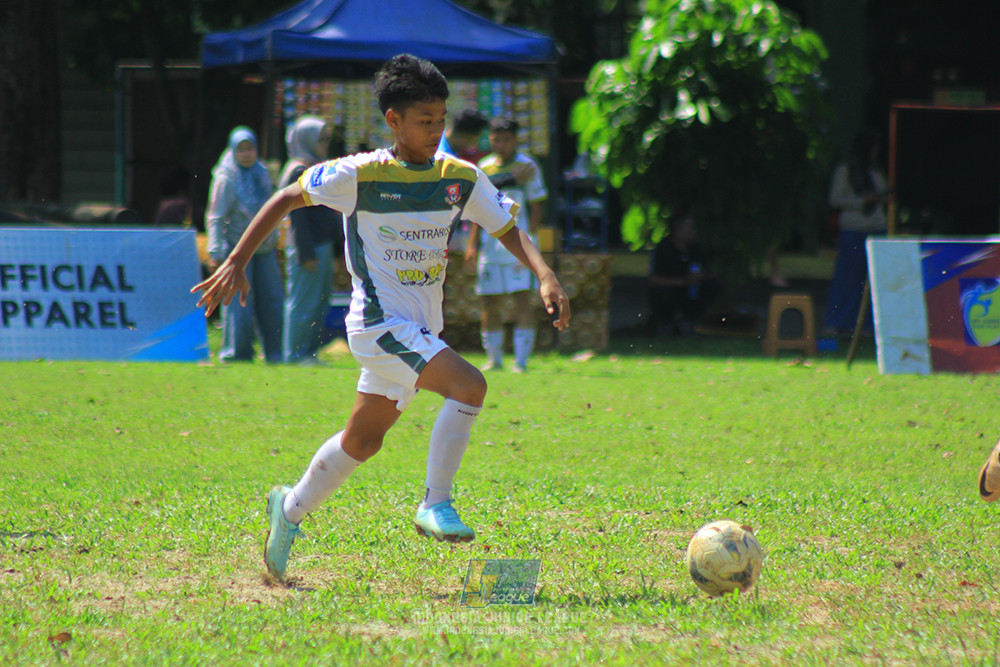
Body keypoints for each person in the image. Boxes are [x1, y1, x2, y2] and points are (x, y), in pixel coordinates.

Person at [191, 54, 571, 581]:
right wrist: (233, 261)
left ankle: (289, 509)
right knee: (470, 386)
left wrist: (545, 274)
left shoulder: (459, 177)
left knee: (363, 441)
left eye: (441, 120)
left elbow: (508, 226)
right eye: (424, 121)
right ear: (393, 121)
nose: (436, 131)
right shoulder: (359, 174)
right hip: (376, 325)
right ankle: (435, 502)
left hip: (416, 333)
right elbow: (285, 196)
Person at [465, 117, 548, 373]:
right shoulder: (484, 166)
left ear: (516, 139)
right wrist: (472, 244)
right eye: (496, 139)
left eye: (506, 139)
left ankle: (521, 361)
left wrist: (532, 241)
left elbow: (537, 206)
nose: (500, 144)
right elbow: (479, 208)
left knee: (522, 299)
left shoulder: (529, 166)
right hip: (490, 247)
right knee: (489, 301)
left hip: (517, 246)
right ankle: (494, 359)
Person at [205, 126, 284, 363]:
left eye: (250, 148)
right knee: (239, 303)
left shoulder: (261, 172)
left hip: (264, 248)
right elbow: (215, 217)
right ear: (232, 150)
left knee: (272, 300)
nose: (247, 154)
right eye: (241, 149)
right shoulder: (225, 178)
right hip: (236, 250)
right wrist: (216, 252)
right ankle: (237, 354)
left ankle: (275, 353)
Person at [279, 115, 343, 365]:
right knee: (303, 303)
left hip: (321, 245)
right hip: (309, 247)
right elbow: (297, 218)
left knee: (319, 302)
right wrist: (306, 253)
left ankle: (308, 352)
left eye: (327, 139)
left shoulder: (314, 166)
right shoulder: (297, 170)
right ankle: (295, 355)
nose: (325, 144)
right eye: (320, 139)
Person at [823, 129, 889, 335]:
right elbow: (835, 199)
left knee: (872, 282)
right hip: (854, 230)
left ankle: (868, 326)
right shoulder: (846, 170)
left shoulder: (876, 172)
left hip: (877, 229)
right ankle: (837, 322)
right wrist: (863, 201)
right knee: (846, 278)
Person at [647, 207, 720, 335]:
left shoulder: (697, 248)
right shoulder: (664, 248)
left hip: (692, 291)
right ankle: (666, 323)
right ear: (678, 229)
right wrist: (682, 281)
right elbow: (654, 278)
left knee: (712, 285)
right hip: (672, 290)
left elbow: (707, 270)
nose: (694, 231)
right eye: (691, 227)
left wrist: (699, 277)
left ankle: (690, 321)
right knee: (661, 292)